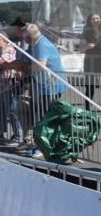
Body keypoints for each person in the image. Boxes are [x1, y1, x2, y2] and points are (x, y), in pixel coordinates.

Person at [21, 23, 69, 154]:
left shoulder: (42, 44)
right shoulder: (35, 44)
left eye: (25, 37)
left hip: (51, 86)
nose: (24, 40)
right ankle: (37, 144)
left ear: (29, 36)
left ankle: (44, 147)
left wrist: (27, 68)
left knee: (45, 117)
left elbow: (41, 64)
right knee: (40, 115)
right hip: (44, 85)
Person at [80, 13, 101, 105]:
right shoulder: (86, 33)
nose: (96, 20)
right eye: (93, 19)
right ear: (90, 21)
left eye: (97, 18)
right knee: (90, 85)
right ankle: (87, 107)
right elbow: (80, 50)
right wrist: (87, 47)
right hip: (90, 61)